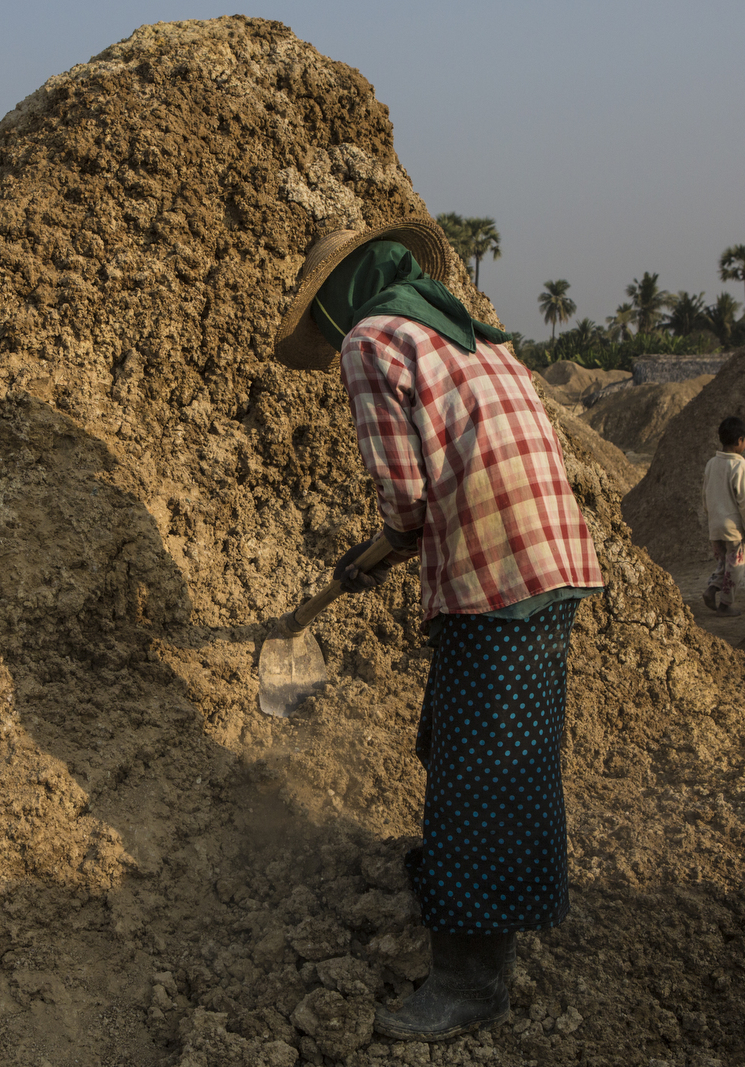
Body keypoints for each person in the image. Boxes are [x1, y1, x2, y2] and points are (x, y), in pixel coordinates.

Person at [272, 217, 606, 1041]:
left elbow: (408, 498)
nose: (324, 336)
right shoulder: (473, 337)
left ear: (337, 300)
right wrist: (383, 550)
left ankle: (469, 982)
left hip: (497, 569)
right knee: (464, 742)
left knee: (479, 776)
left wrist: (375, 552)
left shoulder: (370, 340)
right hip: (551, 560)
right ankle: (461, 888)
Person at [701, 416, 745, 617]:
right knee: (736, 566)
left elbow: (705, 495)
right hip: (733, 528)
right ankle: (724, 605)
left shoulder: (711, 464)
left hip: (715, 525)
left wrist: (711, 517)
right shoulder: (740, 466)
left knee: (724, 563)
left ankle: (711, 589)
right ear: (739, 441)